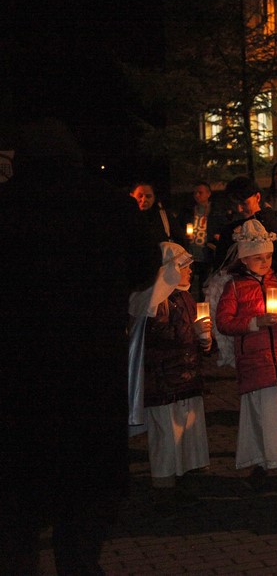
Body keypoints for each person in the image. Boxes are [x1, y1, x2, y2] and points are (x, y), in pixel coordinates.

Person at [1, 118, 161, 575]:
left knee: (18, 501)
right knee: (84, 493)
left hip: (18, 375)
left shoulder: (8, 205)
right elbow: (142, 265)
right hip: (88, 368)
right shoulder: (109, 204)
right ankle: (79, 561)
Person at [214, 219, 277, 489]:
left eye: (268, 257)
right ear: (245, 260)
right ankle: (263, 462)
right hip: (255, 363)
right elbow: (224, 322)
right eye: (258, 258)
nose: (265, 262)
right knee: (260, 415)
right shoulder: (234, 287)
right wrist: (254, 323)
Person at [128, 242, 211, 506]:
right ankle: (163, 489)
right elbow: (159, 338)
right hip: (164, 381)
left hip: (185, 378)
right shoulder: (157, 302)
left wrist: (206, 341)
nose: (190, 273)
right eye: (185, 267)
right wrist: (192, 333)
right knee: (166, 436)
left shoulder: (183, 296)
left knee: (186, 434)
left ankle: (184, 482)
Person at [213, 176, 277, 271]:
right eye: (234, 204)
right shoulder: (229, 230)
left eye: (244, 203)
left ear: (258, 197)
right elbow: (220, 266)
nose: (239, 209)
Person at [178, 181, 217, 298]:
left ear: (208, 194)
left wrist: (215, 239)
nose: (197, 195)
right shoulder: (188, 211)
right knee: (186, 284)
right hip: (190, 254)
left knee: (204, 286)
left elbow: (221, 227)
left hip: (206, 253)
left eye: (200, 192)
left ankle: (202, 309)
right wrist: (185, 236)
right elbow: (179, 228)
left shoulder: (216, 211)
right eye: (195, 193)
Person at [132, 180, 187, 246]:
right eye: (140, 196)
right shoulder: (127, 217)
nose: (144, 199)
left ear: (154, 198)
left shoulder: (164, 216)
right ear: (132, 196)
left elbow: (180, 240)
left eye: (148, 196)